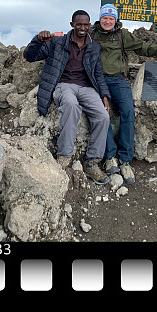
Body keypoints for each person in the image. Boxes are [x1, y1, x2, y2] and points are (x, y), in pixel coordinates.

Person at [91, 3, 157, 184]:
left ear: (115, 20)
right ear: (99, 19)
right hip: (96, 81)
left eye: (111, 18)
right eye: (104, 18)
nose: (107, 21)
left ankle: (125, 159)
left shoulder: (121, 35)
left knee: (128, 112)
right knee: (102, 114)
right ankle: (110, 158)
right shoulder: (91, 35)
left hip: (117, 80)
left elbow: (142, 47)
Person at [23, 10, 112, 184]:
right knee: (71, 105)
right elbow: (29, 56)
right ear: (72, 25)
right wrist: (38, 40)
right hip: (64, 85)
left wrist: (104, 94)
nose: (82, 28)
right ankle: (64, 156)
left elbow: (98, 73)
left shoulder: (94, 46)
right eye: (79, 24)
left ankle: (92, 162)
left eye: (86, 25)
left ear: (90, 25)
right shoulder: (57, 42)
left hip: (86, 88)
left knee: (103, 116)